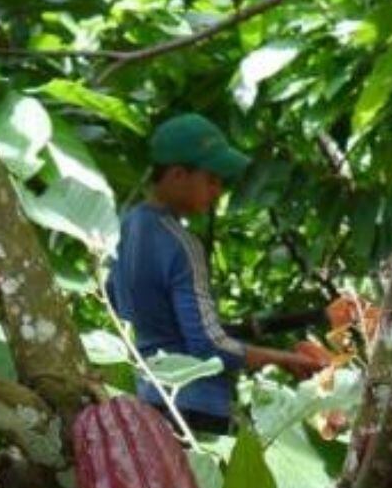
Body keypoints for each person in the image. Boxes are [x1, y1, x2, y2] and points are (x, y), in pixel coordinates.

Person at [107, 113, 325, 435]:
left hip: (144, 399)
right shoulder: (181, 245)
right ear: (178, 174)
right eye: (211, 180)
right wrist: (284, 358)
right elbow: (210, 346)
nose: (218, 191)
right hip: (194, 407)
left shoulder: (121, 230)